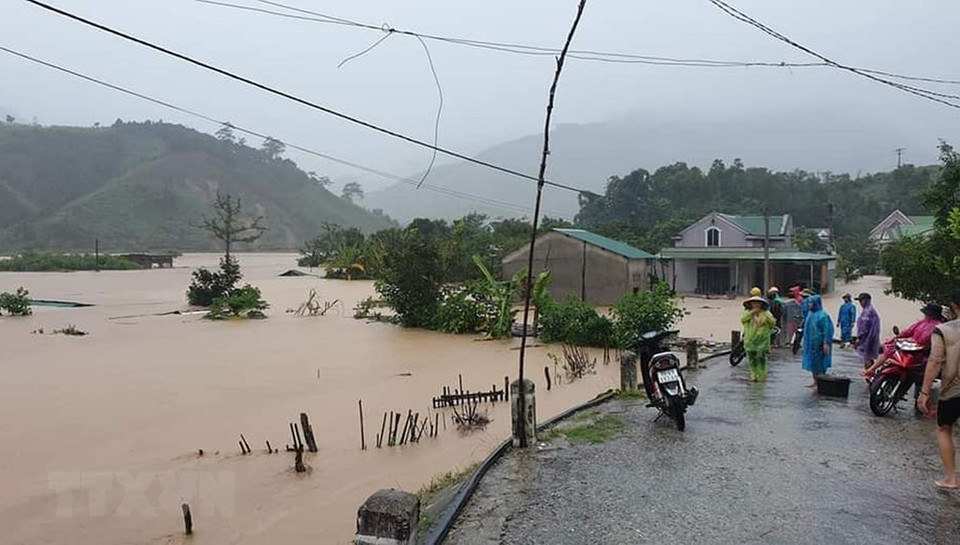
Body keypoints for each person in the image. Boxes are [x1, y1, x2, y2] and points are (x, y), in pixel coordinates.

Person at [917, 293, 960, 490]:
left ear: (953, 306)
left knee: (944, 428)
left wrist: (924, 392)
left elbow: (935, 361)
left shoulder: (943, 330)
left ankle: (951, 478)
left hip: (952, 390)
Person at [862, 302, 944, 378]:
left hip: (923, 353)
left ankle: (871, 369)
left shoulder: (934, 325)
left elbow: (907, 332)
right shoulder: (925, 323)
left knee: (921, 375)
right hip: (913, 348)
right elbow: (907, 332)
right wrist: (895, 338)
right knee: (889, 349)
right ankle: (871, 370)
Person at [741, 294, 777, 382]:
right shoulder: (747, 313)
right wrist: (752, 313)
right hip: (750, 339)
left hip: (762, 340)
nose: (756, 305)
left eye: (758, 303)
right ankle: (753, 375)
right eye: (754, 303)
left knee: (761, 358)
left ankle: (762, 375)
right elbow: (743, 320)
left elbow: (772, 323)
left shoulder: (766, 313)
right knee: (752, 359)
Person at [802, 295, 834, 387]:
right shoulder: (810, 314)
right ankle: (815, 381)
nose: (809, 305)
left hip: (819, 344)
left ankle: (820, 383)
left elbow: (828, 330)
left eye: (811, 303)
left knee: (820, 363)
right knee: (812, 363)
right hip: (810, 343)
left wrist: (826, 342)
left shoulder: (823, 315)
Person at [855, 292, 882, 370]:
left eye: (861, 300)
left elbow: (864, 327)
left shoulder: (867, 312)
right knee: (868, 357)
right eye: (859, 300)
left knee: (867, 358)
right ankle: (870, 373)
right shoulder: (869, 310)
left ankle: (869, 374)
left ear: (867, 300)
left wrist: (859, 337)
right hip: (870, 338)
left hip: (867, 339)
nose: (860, 303)